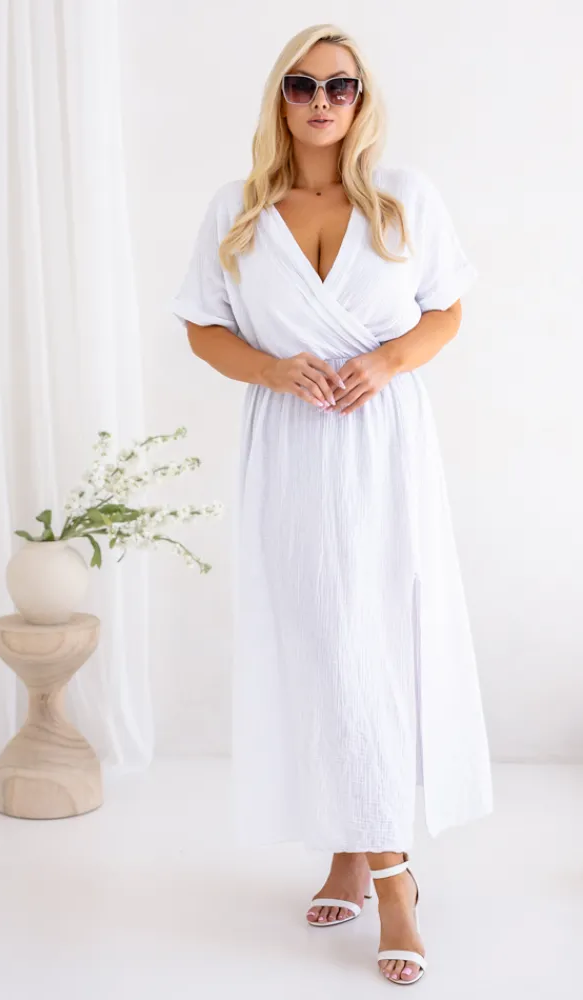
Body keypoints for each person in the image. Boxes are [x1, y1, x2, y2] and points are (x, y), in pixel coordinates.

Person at [171, 22, 493, 987]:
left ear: (361, 99)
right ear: (280, 97)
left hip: (383, 447)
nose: (321, 101)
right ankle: (362, 854)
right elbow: (202, 328)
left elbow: (446, 309)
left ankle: (386, 875)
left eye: (339, 86)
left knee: (372, 642)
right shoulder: (237, 210)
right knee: (319, 644)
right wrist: (272, 368)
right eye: (302, 84)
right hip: (290, 450)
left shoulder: (403, 199)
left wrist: (385, 362)